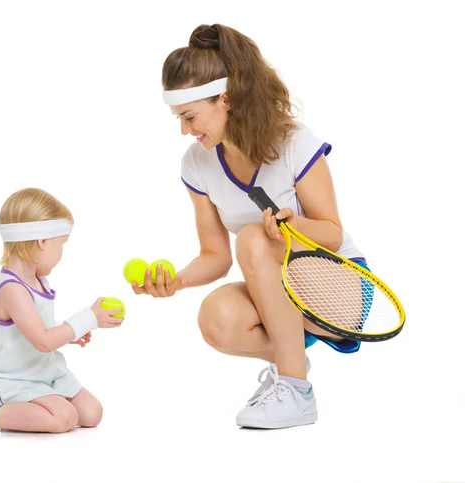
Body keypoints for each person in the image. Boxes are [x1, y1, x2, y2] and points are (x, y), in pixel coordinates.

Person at [131, 24, 372, 429]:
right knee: (217, 319)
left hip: (338, 290)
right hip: (277, 294)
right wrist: (175, 279)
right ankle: (292, 355)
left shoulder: (293, 141)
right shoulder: (196, 164)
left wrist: (294, 227)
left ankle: (295, 389)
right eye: (179, 119)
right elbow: (215, 257)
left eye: (189, 117)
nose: (185, 130)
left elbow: (331, 231)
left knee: (253, 237)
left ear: (225, 99)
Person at [0, 187, 124, 433]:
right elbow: (44, 342)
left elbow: (37, 329)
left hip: (44, 371)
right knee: (63, 418)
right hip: (13, 377)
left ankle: (22, 410)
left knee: (91, 413)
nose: (61, 254)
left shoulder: (37, 279)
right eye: (62, 244)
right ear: (42, 241)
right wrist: (88, 319)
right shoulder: (11, 289)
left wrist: (68, 335)